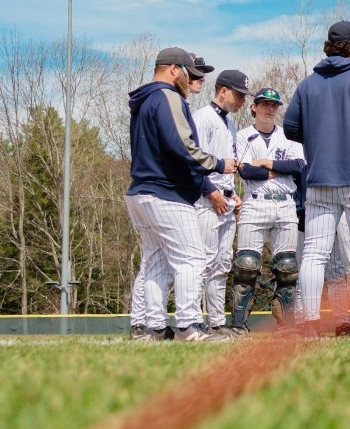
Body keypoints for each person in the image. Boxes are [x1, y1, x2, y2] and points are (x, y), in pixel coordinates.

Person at [283, 20, 350, 337]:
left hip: (321, 179)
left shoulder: (307, 85)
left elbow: (290, 129)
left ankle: (312, 323)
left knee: (314, 255)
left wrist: (317, 135)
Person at [124, 47, 236, 342]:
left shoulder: (146, 98)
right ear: (174, 69)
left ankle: (156, 328)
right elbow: (181, 145)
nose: (192, 79)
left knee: (156, 262)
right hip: (165, 192)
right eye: (189, 72)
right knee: (192, 259)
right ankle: (188, 326)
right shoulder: (167, 96)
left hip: (140, 191)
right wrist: (218, 164)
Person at [230, 84, 304, 331]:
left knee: (287, 268)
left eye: (274, 105)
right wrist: (275, 170)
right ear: (254, 107)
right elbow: (246, 170)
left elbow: (299, 166)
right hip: (255, 202)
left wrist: (266, 164)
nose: (270, 109)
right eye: (265, 104)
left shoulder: (288, 135)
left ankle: (286, 325)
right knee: (247, 266)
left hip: (285, 203)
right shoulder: (243, 135)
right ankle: (239, 325)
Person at [190, 62, 246, 333]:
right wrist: (211, 193)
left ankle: (216, 322)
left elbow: (226, 165)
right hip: (206, 200)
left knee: (222, 265)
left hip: (225, 200)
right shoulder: (203, 118)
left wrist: (233, 194)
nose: (242, 101)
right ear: (223, 91)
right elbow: (192, 162)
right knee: (203, 263)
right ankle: (192, 320)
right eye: (239, 95)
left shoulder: (229, 123)